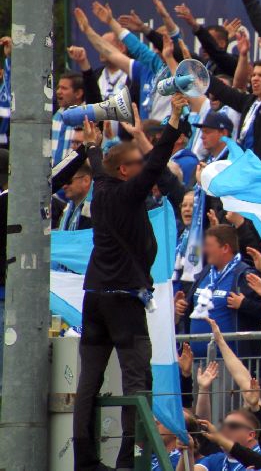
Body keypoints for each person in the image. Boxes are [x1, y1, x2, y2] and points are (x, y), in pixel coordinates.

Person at [73, 95, 186, 471]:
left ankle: (85, 461)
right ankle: (128, 462)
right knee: (138, 379)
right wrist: (174, 117)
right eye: (137, 162)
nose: (144, 166)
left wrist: (93, 144)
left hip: (95, 297)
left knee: (89, 382)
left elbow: (98, 165)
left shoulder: (102, 188)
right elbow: (158, 160)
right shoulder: (126, 193)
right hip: (123, 299)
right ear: (124, 171)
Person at [186, 224, 261, 359]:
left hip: (232, 364)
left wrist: (244, 304)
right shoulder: (205, 273)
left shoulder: (245, 275)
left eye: (209, 245)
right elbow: (191, 307)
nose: (204, 250)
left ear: (225, 248)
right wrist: (182, 306)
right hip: (197, 361)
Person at [206, 27, 261, 167]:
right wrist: (199, 75)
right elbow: (222, 91)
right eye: (253, 75)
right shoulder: (249, 101)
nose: (255, 79)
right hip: (246, 168)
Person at [194, 410, 261, 470]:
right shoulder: (216, 459)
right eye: (223, 425)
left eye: (233, 426)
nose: (225, 429)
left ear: (250, 435)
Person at [52, 71, 85, 164]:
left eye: (64, 88)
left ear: (78, 93)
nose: (58, 92)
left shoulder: (88, 118)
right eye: (58, 87)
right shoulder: (55, 116)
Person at [57, 161, 93, 231]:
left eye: (68, 181)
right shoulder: (68, 209)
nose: (64, 186)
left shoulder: (98, 208)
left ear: (86, 180)